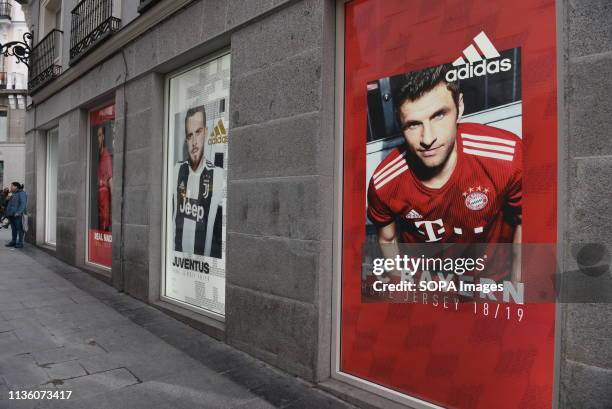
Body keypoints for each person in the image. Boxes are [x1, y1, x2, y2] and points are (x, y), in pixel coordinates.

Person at [367, 64, 522, 282]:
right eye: (413, 125)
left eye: (439, 115)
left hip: (492, 279)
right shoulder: (385, 183)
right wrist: (406, 288)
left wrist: (517, 289)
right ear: (400, 124)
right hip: (430, 282)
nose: (427, 138)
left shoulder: (506, 158)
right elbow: (388, 239)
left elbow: (524, 223)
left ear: (460, 107)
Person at [173, 105, 224, 258]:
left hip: (203, 267)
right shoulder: (176, 170)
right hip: (177, 264)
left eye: (198, 132)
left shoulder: (218, 174)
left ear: (206, 133)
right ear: (186, 140)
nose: (194, 141)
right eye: (190, 135)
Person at [97, 126, 112, 231]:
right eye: (98, 135)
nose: (99, 138)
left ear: (103, 137)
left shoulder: (106, 155)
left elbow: (110, 178)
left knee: (104, 224)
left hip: (104, 195)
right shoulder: (98, 155)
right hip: (99, 196)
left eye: (100, 135)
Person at [5, 182, 27, 248]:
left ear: (16, 187)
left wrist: (18, 212)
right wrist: (7, 199)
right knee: (13, 229)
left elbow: (23, 204)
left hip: (17, 215)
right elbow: (11, 204)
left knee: (20, 229)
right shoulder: (14, 194)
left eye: (12, 186)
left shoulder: (22, 193)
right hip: (11, 215)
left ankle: (20, 243)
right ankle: (13, 241)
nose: (10, 187)